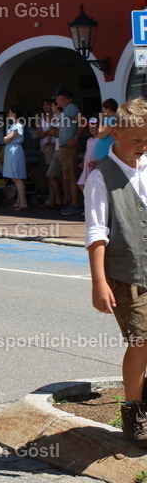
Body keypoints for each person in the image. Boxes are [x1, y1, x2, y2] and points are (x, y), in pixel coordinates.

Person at [85, 97, 147, 443]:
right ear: (118, 133)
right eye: (137, 139)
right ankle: (133, 410)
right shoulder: (101, 177)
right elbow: (97, 233)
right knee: (141, 339)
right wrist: (98, 282)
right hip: (127, 274)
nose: (143, 146)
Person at [54, 89, 83, 216]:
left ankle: (75, 204)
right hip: (65, 147)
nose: (56, 100)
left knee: (71, 176)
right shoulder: (66, 110)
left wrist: (75, 137)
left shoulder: (71, 108)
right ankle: (73, 203)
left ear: (67, 98)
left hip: (69, 147)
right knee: (68, 176)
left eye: (59, 98)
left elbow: (83, 122)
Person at [36, 97, 62, 208]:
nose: (46, 107)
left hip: (56, 146)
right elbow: (39, 135)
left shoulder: (57, 117)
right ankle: (52, 198)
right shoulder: (40, 119)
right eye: (44, 105)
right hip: (46, 147)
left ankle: (57, 199)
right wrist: (48, 132)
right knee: (49, 174)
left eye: (48, 104)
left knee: (55, 174)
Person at [2, 106, 28, 210]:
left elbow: (7, 139)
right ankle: (19, 201)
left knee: (17, 176)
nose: (8, 115)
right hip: (12, 150)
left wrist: (5, 138)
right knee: (14, 177)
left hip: (14, 150)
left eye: (10, 113)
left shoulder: (17, 126)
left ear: (14, 114)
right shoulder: (15, 125)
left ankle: (23, 202)